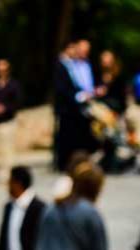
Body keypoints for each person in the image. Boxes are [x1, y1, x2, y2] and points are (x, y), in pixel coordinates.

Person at [53, 41, 94, 170]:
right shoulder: (61, 65)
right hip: (65, 108)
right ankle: (62, 163)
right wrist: (78, 96)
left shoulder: (71, 65)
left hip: (73, 107)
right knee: (64, 136)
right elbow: (62, 88)